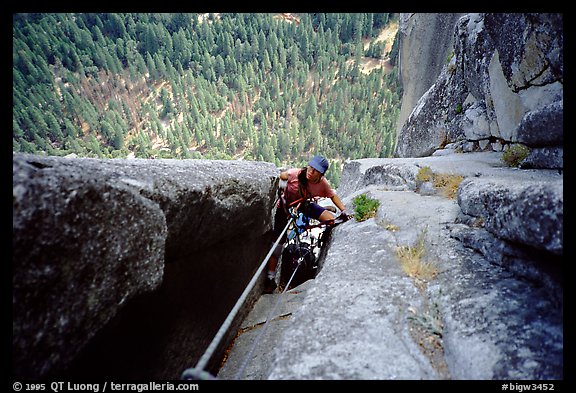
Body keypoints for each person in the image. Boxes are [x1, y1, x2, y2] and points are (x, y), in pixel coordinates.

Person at [264, 154, 350, 294]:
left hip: (302, 204)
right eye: (311, 167)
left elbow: (332, 196)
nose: (311, 171)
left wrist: (343, 210)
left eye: (316, 170)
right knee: (277, 245)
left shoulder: (322, 183)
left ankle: (323, 240)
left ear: (321, 174)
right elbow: (283, 176)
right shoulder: (295, 174)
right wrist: (282, 191)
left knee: (331, 219)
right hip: (285, 207)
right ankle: (270, 278)